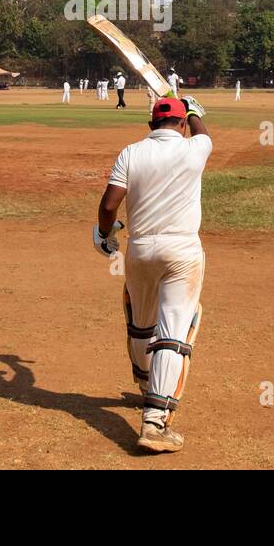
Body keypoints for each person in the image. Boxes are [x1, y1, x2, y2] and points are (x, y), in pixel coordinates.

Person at [95, 94, 210, 454]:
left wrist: (104, 233)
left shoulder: (131, 152)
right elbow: (202, 132)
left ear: (149, 126)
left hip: (140, 249)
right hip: (182, 250)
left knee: (142, 325)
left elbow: (109, 205)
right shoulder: (196, 148)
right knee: (174, 330)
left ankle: (146, 384)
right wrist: (193, 111)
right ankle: (154, 421)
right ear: (181, 124)